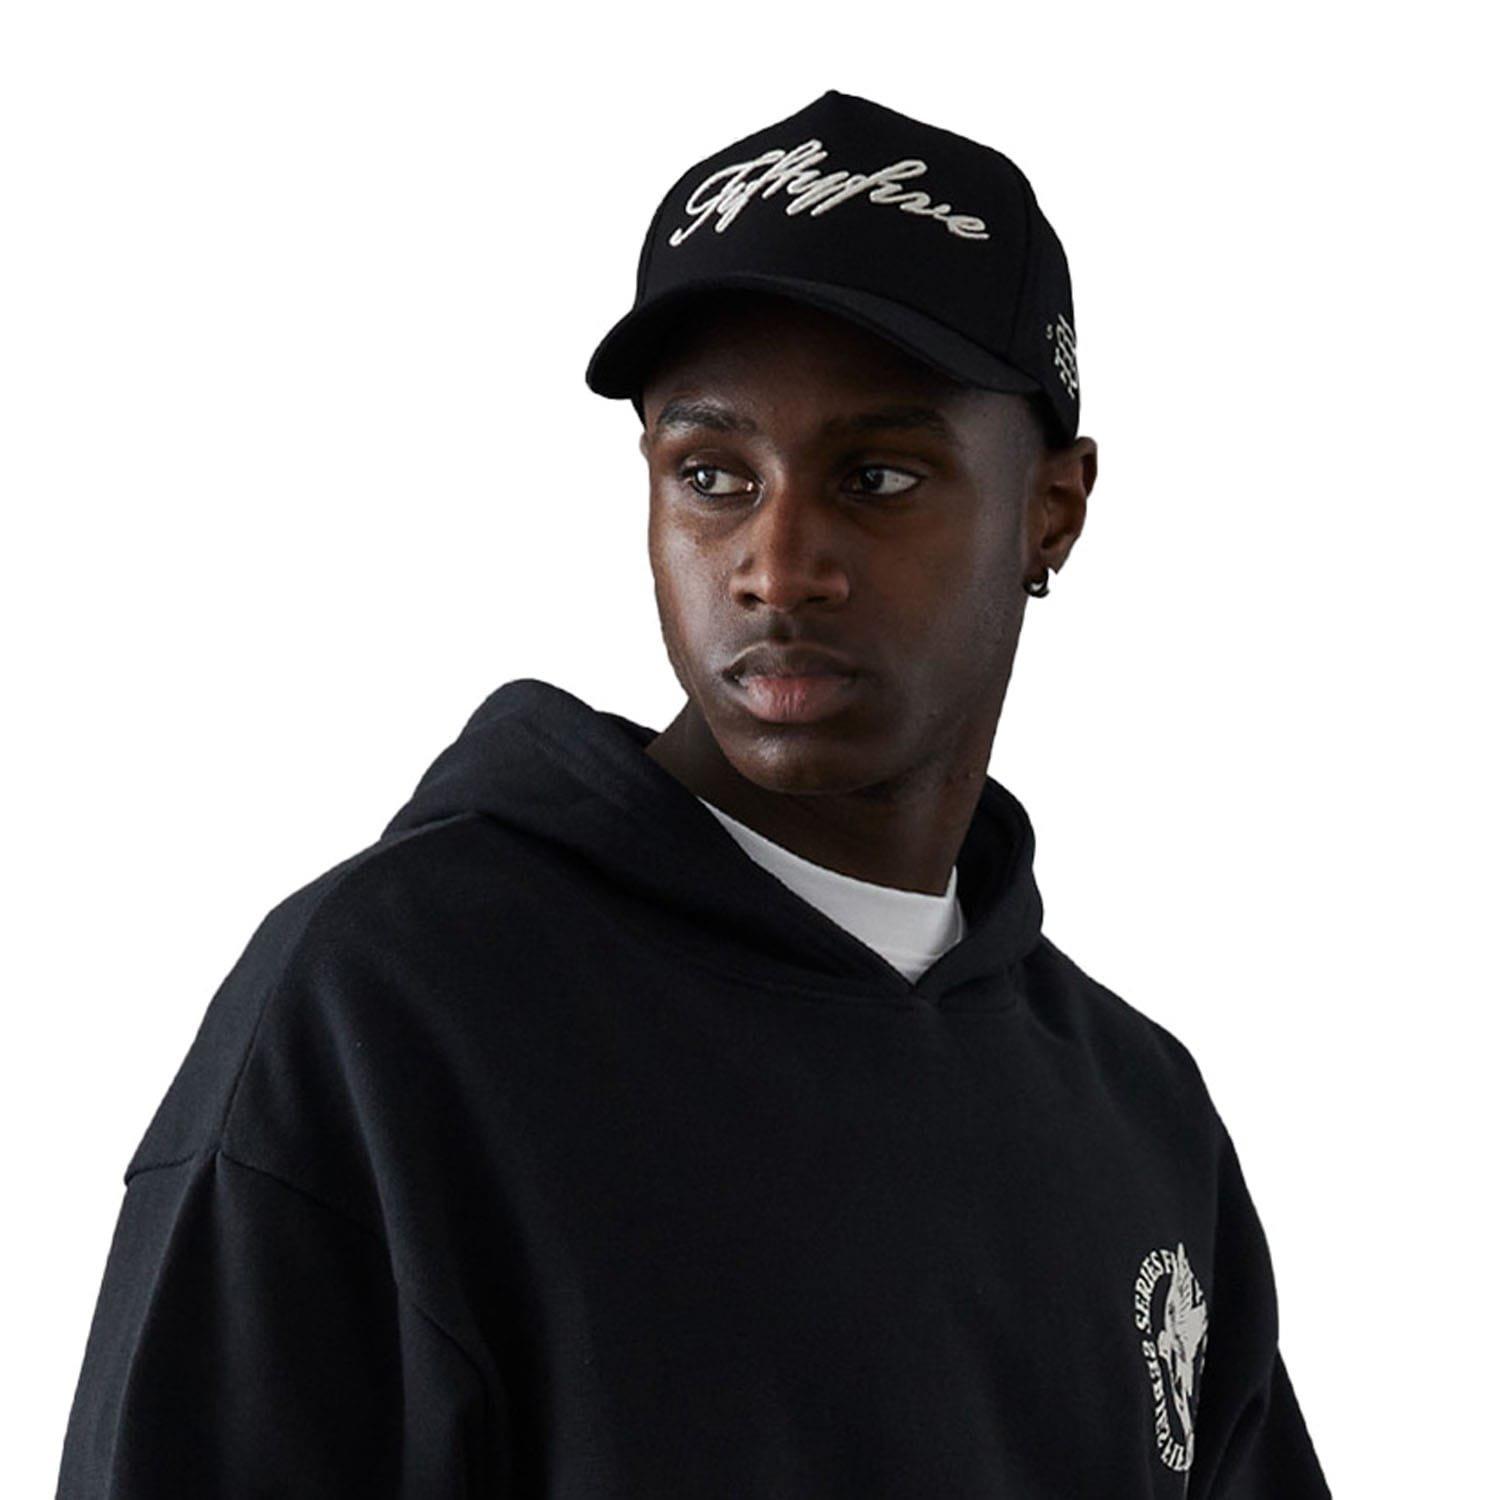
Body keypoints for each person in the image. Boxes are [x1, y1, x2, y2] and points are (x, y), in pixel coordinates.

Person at [56, 89, 1332, 1498]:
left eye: (878, 475)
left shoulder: (1136, 1119)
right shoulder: (387, 1013)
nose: (777, 568)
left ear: (1055, 509)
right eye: (714, 474)